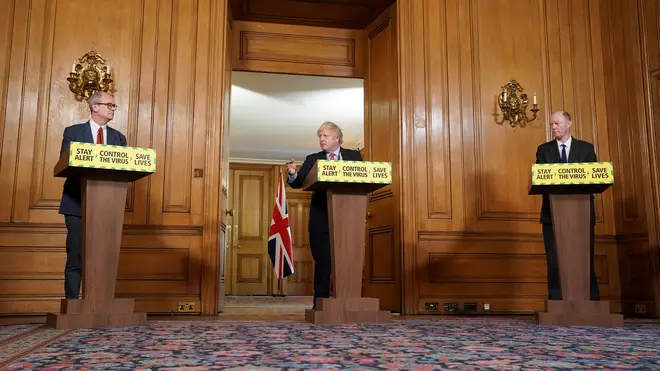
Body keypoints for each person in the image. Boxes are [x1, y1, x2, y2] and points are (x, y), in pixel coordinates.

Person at [285, 121, 363, 309]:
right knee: (323, 263)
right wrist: (293, 174)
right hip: (321, 220)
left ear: (337, 138)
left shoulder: (354, 156)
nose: (321, 139)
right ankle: (320, 304)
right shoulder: (313, 159)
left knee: (348, 262)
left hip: (348, 219)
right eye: (319, 136)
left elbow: (363, 179)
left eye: (325, 135)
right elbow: (298, 183)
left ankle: (349, 302)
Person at [58, 91, 127, 299]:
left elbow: (123, 170)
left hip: (107, 206)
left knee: (103, 257)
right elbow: (64, 164)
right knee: (76, 255)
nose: (112, 109)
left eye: (114, 106)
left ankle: (101, 303)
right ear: (95, 107)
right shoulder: (73, 133)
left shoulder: (119, 138)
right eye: (109, 105)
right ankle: (72, 304)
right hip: (76, 204)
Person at [535, 110, 600, 301]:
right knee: (555, 260)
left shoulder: (586, 148)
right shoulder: (544, 150)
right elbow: (540, 179)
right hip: (553, 216)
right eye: (552, 125)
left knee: (584, 259)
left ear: (569, 123)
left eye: (558, 123)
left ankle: (591, 301)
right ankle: (557, 301)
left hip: (582, 214)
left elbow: (595, 177)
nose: (554, 128)